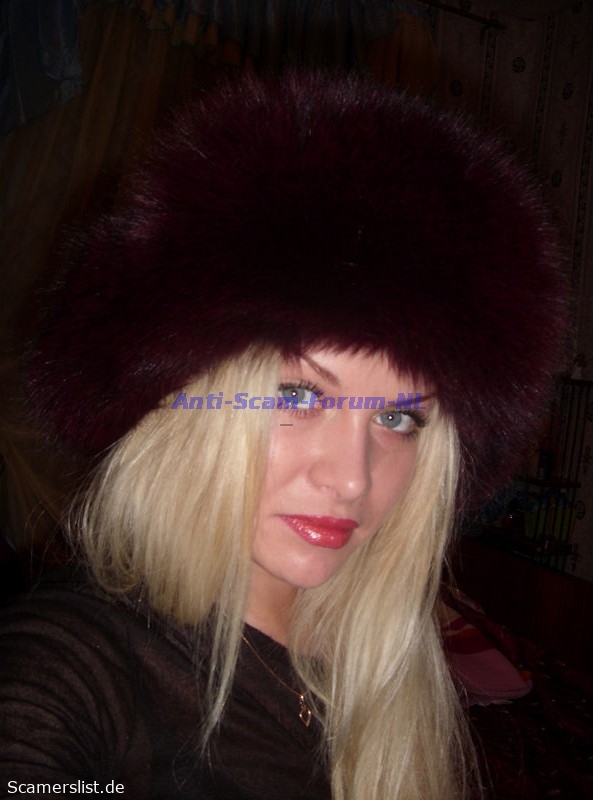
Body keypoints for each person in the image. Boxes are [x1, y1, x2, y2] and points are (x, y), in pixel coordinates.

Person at [0, 73, 568, 799]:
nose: (352, 478)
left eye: (397, 418)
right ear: (187, 409)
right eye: (297, 395)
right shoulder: (73, 664)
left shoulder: (381, 667)